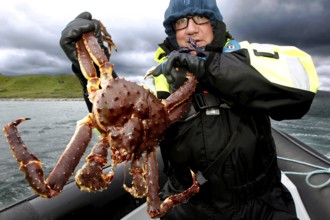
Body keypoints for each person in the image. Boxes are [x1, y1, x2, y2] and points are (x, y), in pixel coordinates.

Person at [60, 0, 319, 219]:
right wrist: (89, 70)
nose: (191, 29)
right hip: (189, 208)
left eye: (200, 18)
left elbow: (299, 95)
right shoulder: (160, 78)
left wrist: (207, 66)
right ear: (173, 31)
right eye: (181, 22)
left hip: (262, 205)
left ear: (215, 23)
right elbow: (123, 124)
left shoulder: (246, 56)